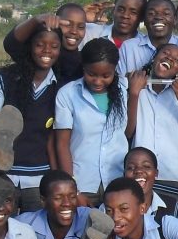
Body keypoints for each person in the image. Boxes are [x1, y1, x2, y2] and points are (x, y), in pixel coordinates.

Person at [0, 26, 63, 211]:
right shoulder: (5, 79)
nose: (47, 51)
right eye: (40, 44)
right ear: (29, 46)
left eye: (54, 46)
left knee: (33, 235)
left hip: (39, 179)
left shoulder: (61, 87)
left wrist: (56, 178)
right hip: (3, 176)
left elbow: (56, 140)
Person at [126, 44, 178, 219]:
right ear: (154, 57)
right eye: (165, 53)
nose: (170, 58)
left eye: (177, 60)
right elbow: (128, 133)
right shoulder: (136, 90)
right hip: (140, 173)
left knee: (174, 223)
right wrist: (134, 94)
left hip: (173, 174)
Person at [54, 38, 127, 207]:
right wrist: (73, 190)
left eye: (106, 75)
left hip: (116, 182)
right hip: (83, 183)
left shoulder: (125, 89)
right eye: (91, 74)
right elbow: (62, 144)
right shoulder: (68, 94)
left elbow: (127, 132)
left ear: (115, 70)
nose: (98, 81)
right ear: (83, 67)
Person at [117, 0, 178, 79]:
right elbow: (121, 84)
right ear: (144, 20)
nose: (158, 17)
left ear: (175, 20)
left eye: (166, 13)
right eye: (151, 13)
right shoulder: (128, 48)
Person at [4, 4, 87, 85]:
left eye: (81, 27)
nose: (74, 31)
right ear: (55, 23)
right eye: (68, 25)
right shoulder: (39, 54)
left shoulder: (85, 62)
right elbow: (10, 44)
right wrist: (35, 20)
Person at [123, 146, 178, 227]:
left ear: (156, 173)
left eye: (146, 166)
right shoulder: (110, 207)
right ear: (124, 175)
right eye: (131, 167)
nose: (138, 171)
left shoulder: (174, 208)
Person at [83, 0, 148, 49]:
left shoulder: (146, 47)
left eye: (133, 12)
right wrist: (81, 16)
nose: (125, 16)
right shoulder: (90, 32)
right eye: (120, 9)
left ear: (142, 17)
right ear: (113, 10)